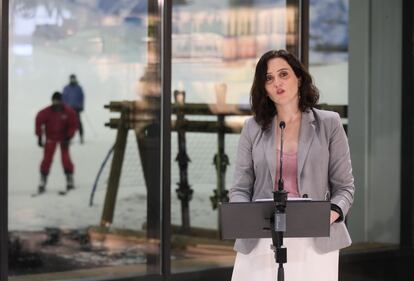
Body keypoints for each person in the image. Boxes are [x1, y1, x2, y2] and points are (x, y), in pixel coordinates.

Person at [229, 49, 355, 281]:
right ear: (264, 89)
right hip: (262, 234)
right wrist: (245, 218)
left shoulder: (330, 123)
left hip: (316, 237)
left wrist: (332, 213)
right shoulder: (252, 127)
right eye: (269, 78)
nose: (277, 82)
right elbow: (240, 188)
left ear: (299, 78)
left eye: (283, 74)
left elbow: (345, 187)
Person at [35, 92, 78, 194]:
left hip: (64, 139)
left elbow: (73, 124)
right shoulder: (46, 112)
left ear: (61, 101)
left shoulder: (68, 111)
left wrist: (69, 136)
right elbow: (38, 120)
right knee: (47, 159)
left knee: (66, 159)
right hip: (51, 138)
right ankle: (43, 180)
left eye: (58, 100)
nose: (56, 102)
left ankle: (69, 178)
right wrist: (40, 136)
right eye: (54, 100)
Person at [62, 74, 85, 143]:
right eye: (71, 79)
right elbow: (63, 98)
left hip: (76, 108)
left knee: (78, 122)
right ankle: (68, 137)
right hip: (68, 108)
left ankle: (81, 137)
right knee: (67, 123)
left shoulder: (79, 88)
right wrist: (63, 107)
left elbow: (82, 97)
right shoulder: (66, 88)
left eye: (73, 78)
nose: (72, 80)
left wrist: (81, 106)